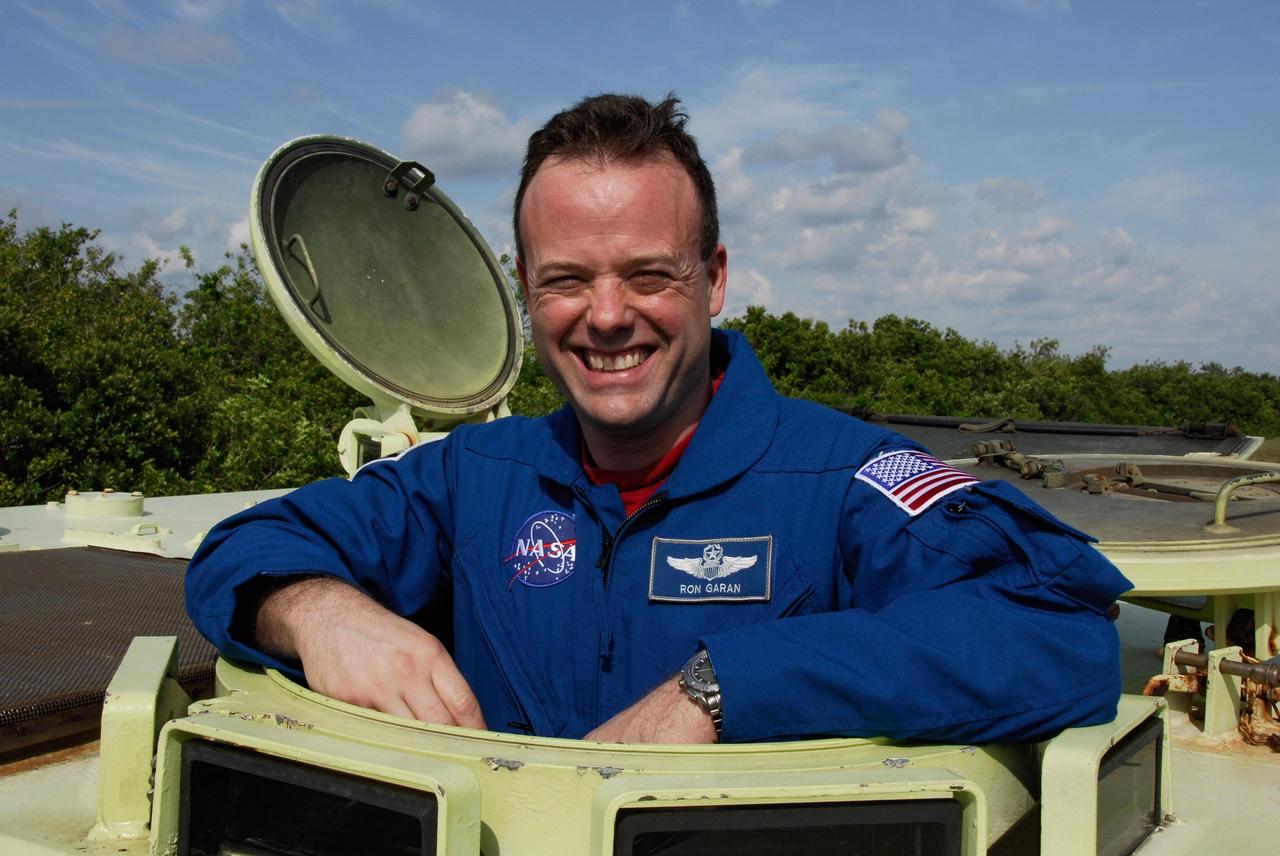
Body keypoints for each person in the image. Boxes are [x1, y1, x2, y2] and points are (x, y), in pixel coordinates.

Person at [186, 93, 1131, 745]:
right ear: (523, 290)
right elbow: (247, 545)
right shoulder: (472, 476)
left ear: (712, 280)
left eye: (648, 274)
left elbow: (1060, 630)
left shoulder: (842, 479)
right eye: (565, 280)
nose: (605, 316)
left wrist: (721, 688)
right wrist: (322, 612)